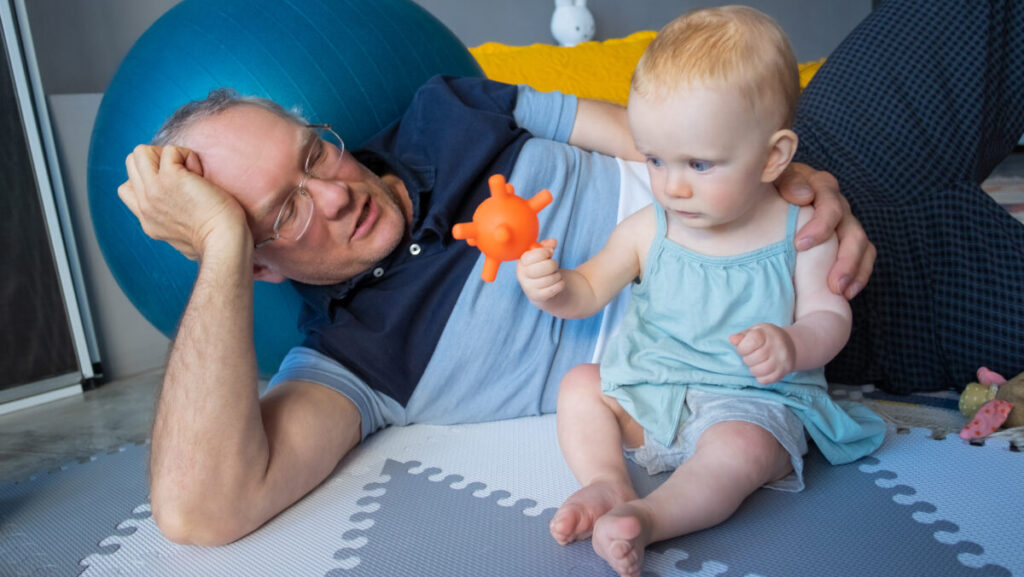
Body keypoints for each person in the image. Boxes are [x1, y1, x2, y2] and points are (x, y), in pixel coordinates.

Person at [116, 0, 1023, 547]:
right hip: (825, 317)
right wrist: (220, 246)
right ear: (263, 265)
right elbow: (203, 510)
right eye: (282, 214)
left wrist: (784, 177)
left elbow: (647, 133)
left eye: (313, 154)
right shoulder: (357, 360)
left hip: (797, 160)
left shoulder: (447, 110)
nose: (333, 192)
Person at [515, 7, 884, 576]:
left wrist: (791, 344)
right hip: (652, 388)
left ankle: (652, 517)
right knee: (582, 385)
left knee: (740, 451)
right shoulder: (649, 227)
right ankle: (606, 483)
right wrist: (553, 285)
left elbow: (830, 316)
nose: (672, 185)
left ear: (773, 157)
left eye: (699, 163)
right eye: (656, 159)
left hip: (752, 399)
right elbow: (588, 289)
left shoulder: (800, 229)